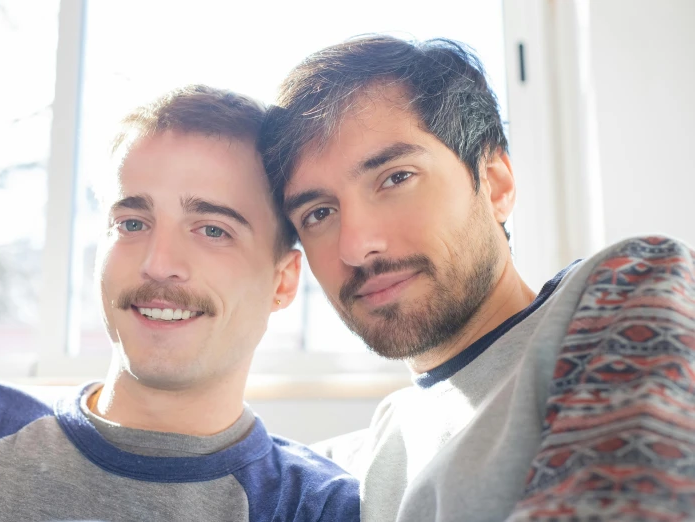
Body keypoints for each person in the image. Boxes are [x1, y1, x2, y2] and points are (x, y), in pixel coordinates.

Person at [260, 35, 695, 521]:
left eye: (396, 178)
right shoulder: (346, 472)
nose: (357, 245)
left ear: (496, 184)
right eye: (319, 213)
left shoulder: (622, 289)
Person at [0, 85, 359, 522]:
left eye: (212, 230)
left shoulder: (319, 507)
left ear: (282, 283)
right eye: (132, 223)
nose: (158, 263)